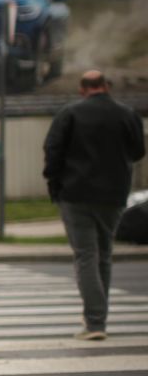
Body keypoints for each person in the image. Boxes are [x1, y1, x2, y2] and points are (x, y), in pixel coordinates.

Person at [43, 70, 145, 341]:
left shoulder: (70, 113)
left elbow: (53, 150)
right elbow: (138, 151)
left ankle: (94, 322)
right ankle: (99, 318)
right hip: (113, 195)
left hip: (75, 194)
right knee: (104, 253)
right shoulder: (126, 114)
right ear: (106, 87)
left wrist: (54, 182)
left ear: (82, 89)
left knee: (86, 254)